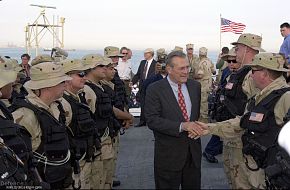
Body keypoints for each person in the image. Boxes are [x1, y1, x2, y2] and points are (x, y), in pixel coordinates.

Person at [193, 33, 265, 189]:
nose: (235, 51)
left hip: (242, 139)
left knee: (244, 181)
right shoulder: (242, 73)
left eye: (237, 48)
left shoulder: (253, 76)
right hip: (232, 134)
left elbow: (254, 113)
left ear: (247, 49)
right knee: (234, 177)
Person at [145, 51, 204, 189]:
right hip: (168, 155)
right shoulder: (155, 89)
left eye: (187, 67)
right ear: (169, 69)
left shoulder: (195, 86)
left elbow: (195, 116)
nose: (186, 72)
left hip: (193, 154)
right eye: (181, 68)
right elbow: (152, 120)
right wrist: (182, 126)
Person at [11, 61, 73, 189]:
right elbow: (18, 159)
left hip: (61, 177)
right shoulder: (25, 116)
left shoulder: (58, 107)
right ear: (48, 85)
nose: (66, 84)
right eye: (62, 82)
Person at [60, 58, 100, 189]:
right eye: (80, 74)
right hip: (76, 165)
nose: (84, 78)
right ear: (66, 78)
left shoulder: (78, 97)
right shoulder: (63, 104)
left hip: (85, 158)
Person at [132, 48, 157, 127]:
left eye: (147, 53)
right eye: (144, 53)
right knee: (142, 104)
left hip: (151, 86)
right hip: (142, 86)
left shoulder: (156, 64)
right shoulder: (142, 63)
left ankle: (152, 121)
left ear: (151, 54)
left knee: (152, 104)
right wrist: (132, 82)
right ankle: (142, 121)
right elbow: (138, 74)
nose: (145, 55)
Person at [195, 47, 216, 122]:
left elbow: (200, 75)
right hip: (209, 84)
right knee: (206, 100)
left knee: (203, 102)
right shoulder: (209, 61)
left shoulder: (201, 63)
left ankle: (203, 119)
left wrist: (194, 77)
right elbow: (214, 72)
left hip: (203, 85)